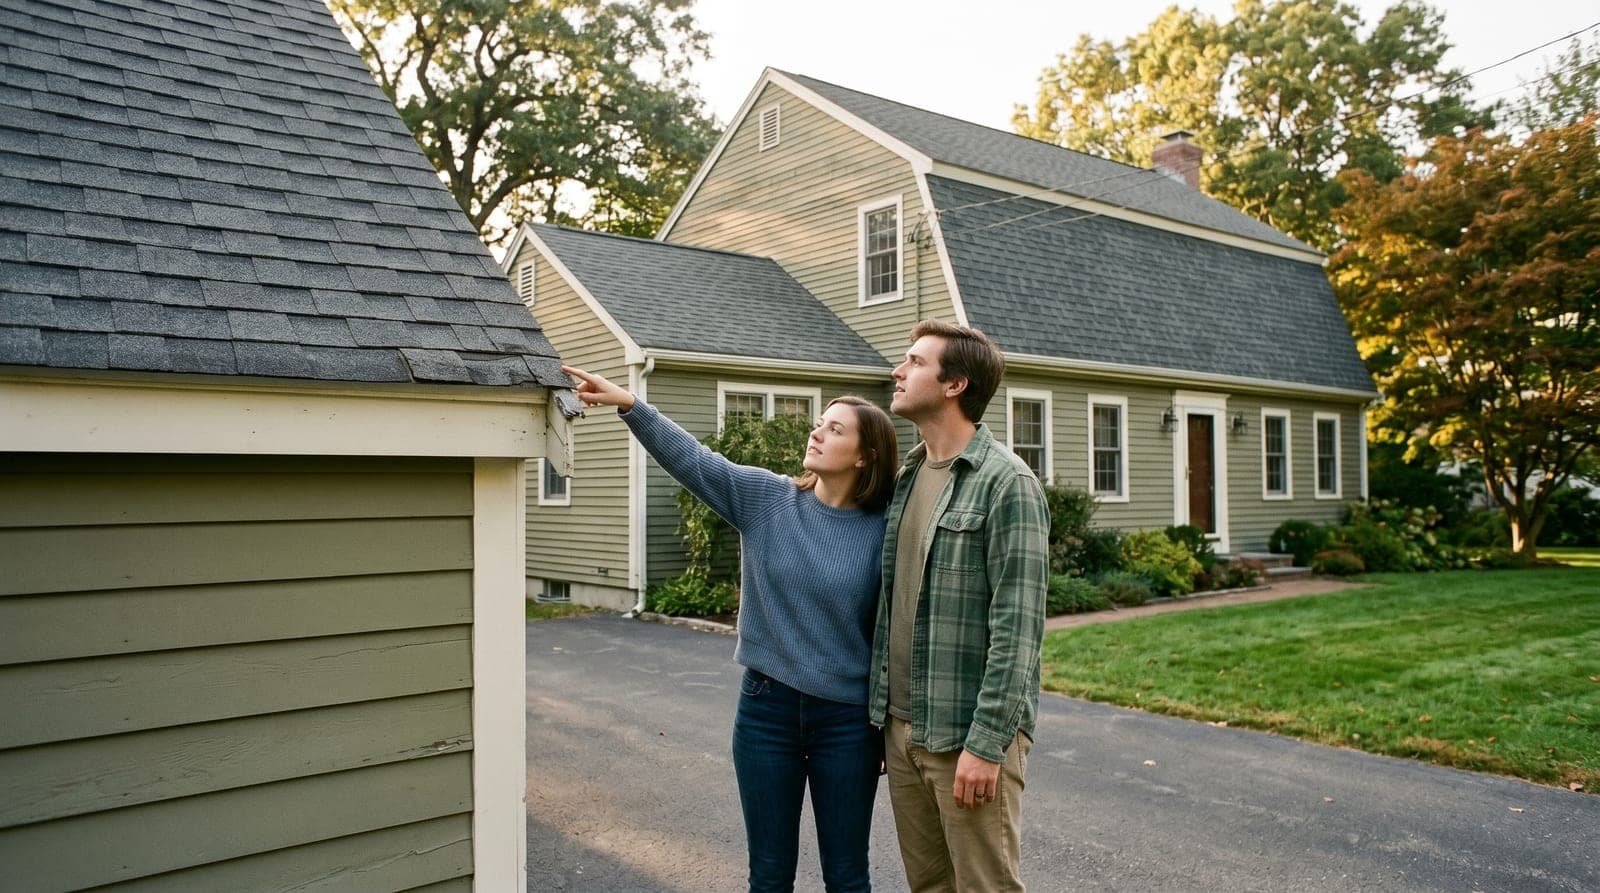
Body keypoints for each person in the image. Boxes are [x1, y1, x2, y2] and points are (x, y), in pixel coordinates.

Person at [561, 365, 899, 893]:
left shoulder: (886, 531)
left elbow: (890, 636)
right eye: (820, 422)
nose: (816, 431)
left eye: (836, 428)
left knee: (848, 874)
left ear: (865, 456)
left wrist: (881, 725)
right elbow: (696, 462)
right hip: (767, 711)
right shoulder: (768, 499)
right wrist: (632, 405)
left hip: (848, 723)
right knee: (768, 875)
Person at [868, 321, 1050, 892]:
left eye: (915, 362)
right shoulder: (907, 478)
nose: (898, 371)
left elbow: (1018, 631)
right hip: (903, 733)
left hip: (966, 738)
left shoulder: (1006, 483)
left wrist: (986, 744)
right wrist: (886, 726)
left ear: (955, 385)